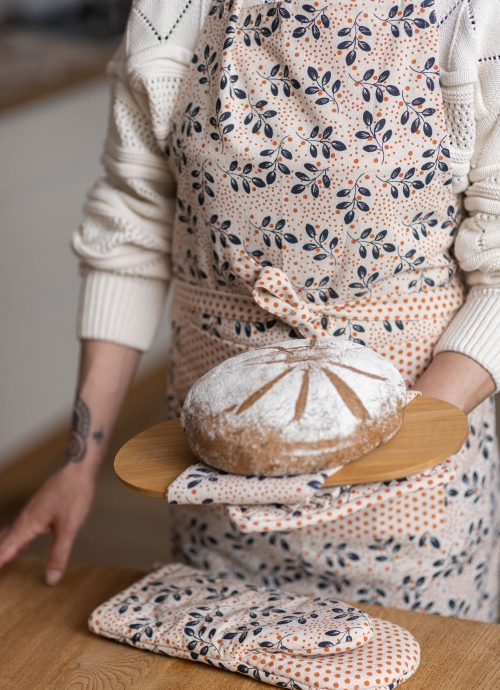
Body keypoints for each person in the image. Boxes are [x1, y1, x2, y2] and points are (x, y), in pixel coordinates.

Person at [1, 0, 499, 621]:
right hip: (221, 484)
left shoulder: (476, 20)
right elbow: (131, 228)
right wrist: (79, 464)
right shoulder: (173, 11)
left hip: (409, 491)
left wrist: (391, 442)